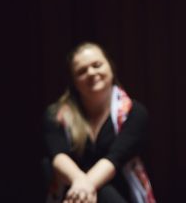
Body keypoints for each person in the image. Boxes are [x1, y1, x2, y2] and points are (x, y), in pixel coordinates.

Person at [44, 42, 155, 203]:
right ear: (73, 81)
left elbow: (115, 158)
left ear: (110, 66)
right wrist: (81, 186)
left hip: (118, 195)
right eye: (81, 71)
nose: (91, 73)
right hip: (72, 193)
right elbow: (58, 155)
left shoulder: (134, 112)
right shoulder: (55, 115)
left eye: (97, 65)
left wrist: (82, 189)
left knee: (104, 191)